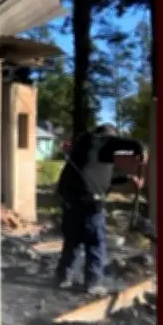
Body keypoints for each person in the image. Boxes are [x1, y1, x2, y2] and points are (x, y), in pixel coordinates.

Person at [54, 124, 145, 295]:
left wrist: (127, 179)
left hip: (71, 202)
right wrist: (140, 149)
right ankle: (93, 283)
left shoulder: (86, 153)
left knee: (73, 240)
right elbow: (128, 143)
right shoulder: (98, 141)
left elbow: (102, 180)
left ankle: (63, 278)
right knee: (95, 242)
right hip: (88, 202)